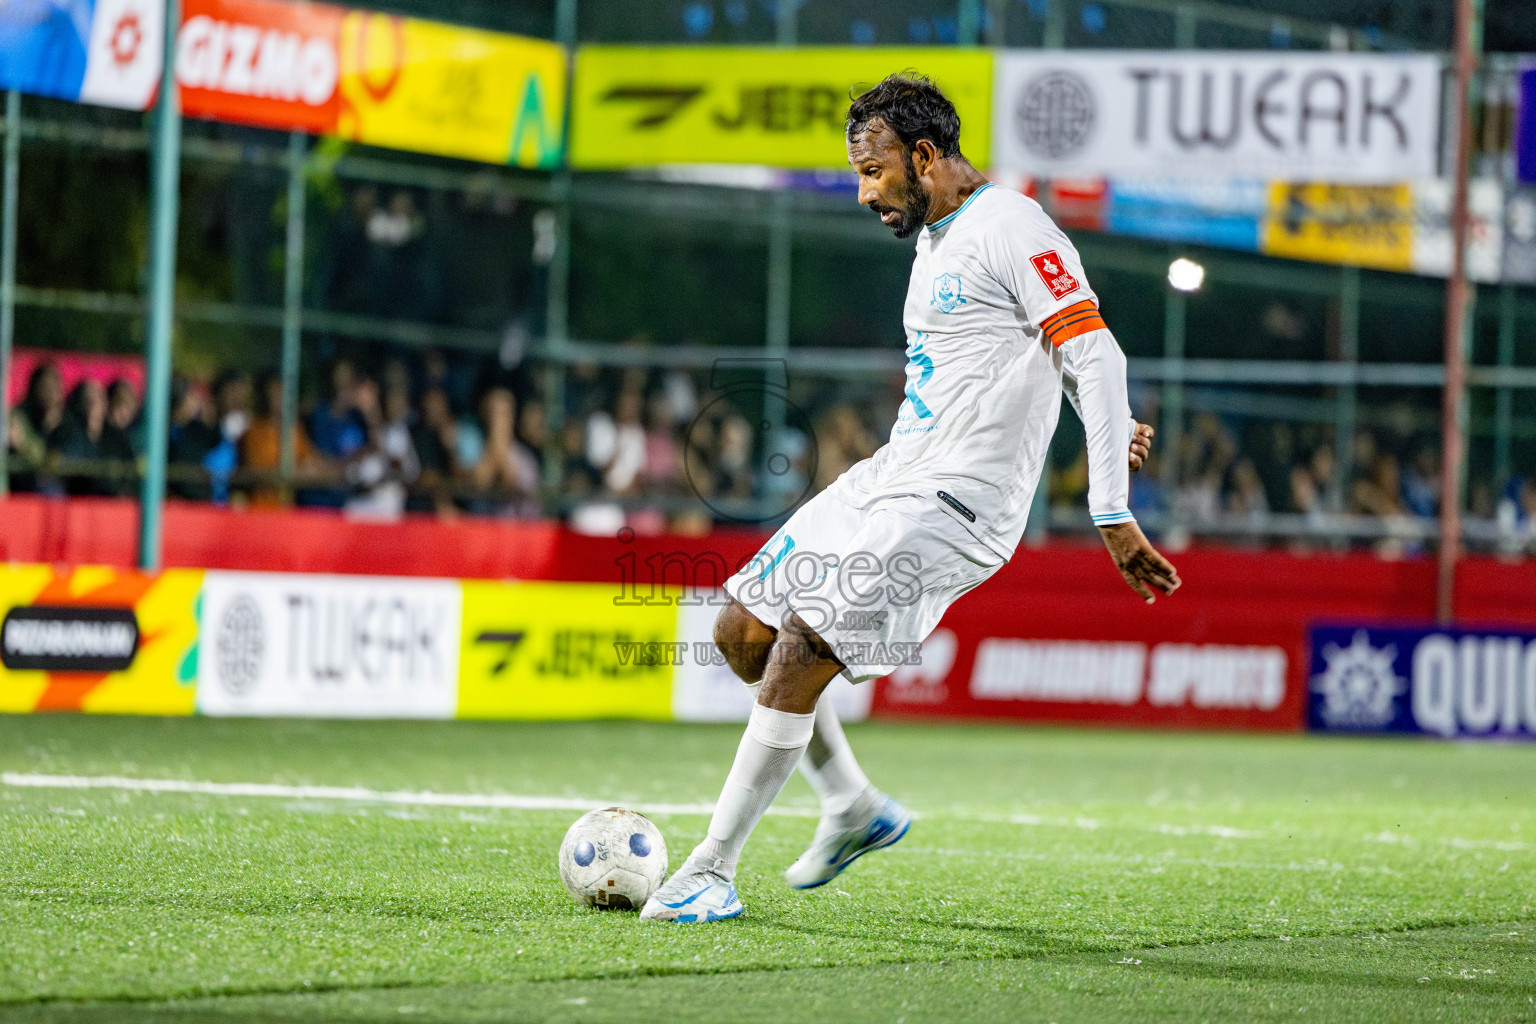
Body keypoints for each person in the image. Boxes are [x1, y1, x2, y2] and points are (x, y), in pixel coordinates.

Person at [641, 74, 1176, 923]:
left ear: (925, 157)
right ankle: (853, 807)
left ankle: (712, 867)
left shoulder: (1011, 225)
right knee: (742, 630)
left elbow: (1094, 353)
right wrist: (1098, 411)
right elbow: (1035, 357)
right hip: (894, 475)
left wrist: (1110, 508)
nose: (864, 192)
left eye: (874, 171)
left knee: (805, 642)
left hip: (958, 504)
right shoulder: (936, 240)